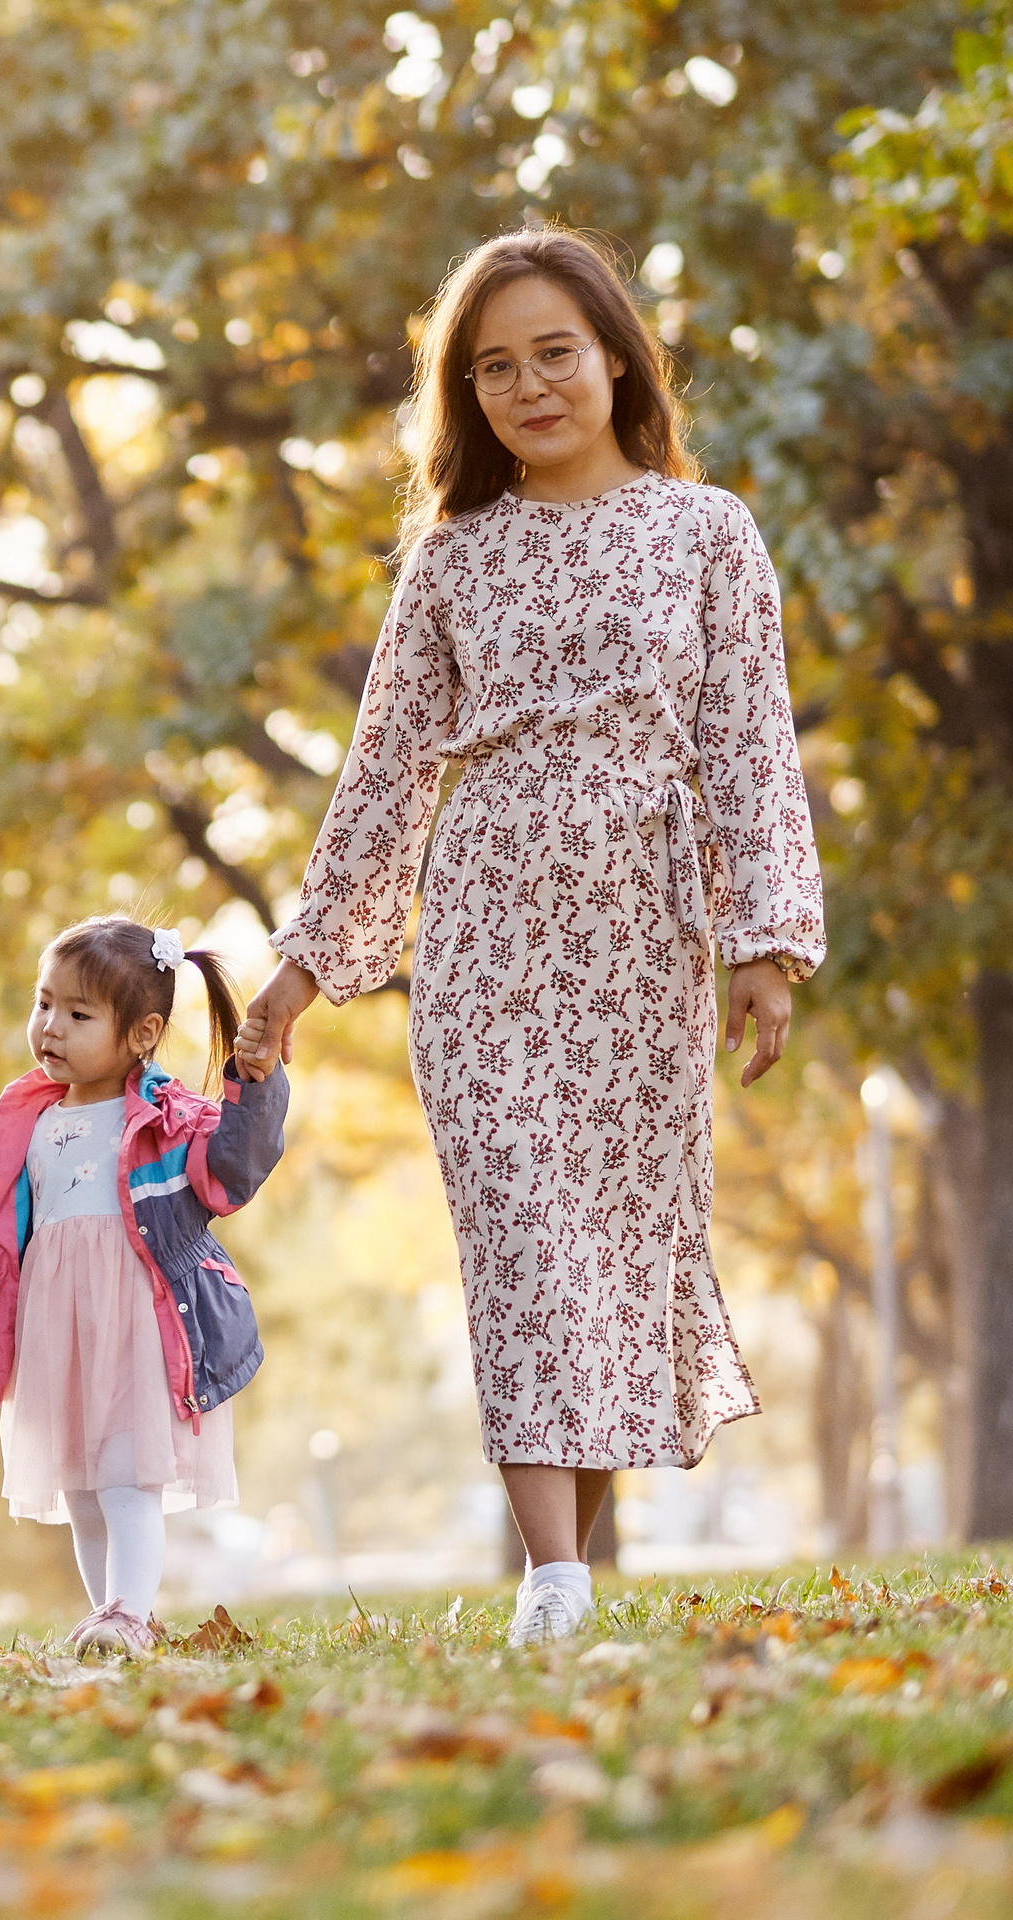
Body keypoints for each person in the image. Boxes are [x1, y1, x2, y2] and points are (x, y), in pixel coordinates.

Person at [235, 227, 826, 1647]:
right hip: (488, 927)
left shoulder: (707, 532)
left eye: (553, 352)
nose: (527, 386)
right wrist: (297, 977)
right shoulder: (452, 563)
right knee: (517, 1233)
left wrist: (767, 943)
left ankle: (574, 1566)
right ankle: (551, 1572)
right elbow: (380, 777)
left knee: (612, 1248)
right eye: (492, 367)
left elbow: (751, 744)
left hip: (645, 931)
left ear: (616, 356)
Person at [0, 916, 288, 1656]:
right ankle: (113, 1621)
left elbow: (233, 1171)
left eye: (78, 1013)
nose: (50, 1027)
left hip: (139, 1323)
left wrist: (256, 1084)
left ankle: (129, 1612)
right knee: (85, 1490)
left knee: (127, 1479)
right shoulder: (17, 1126)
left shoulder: (168, 1117)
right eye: (44, 1004)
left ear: (141, 1034)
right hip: (58, 1334)